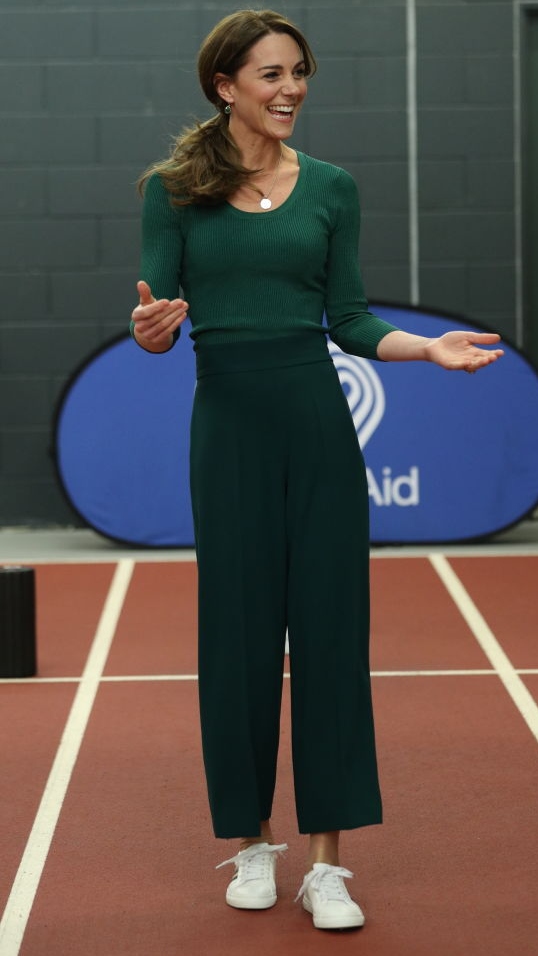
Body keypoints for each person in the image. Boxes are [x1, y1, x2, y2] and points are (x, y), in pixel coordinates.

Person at [130, 9, 503, 932]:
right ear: (225, 86)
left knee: (332, 635)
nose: (291, 88)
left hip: (317, 424)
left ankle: (328, 865)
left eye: (300, 72)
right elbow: (155, 313)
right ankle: (253, 844)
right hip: (229, 425)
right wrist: (151, 331)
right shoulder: (172, 188)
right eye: (271, 75)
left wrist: (427, 349)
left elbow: (351, 319)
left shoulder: (333, 188)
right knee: (240, 637)